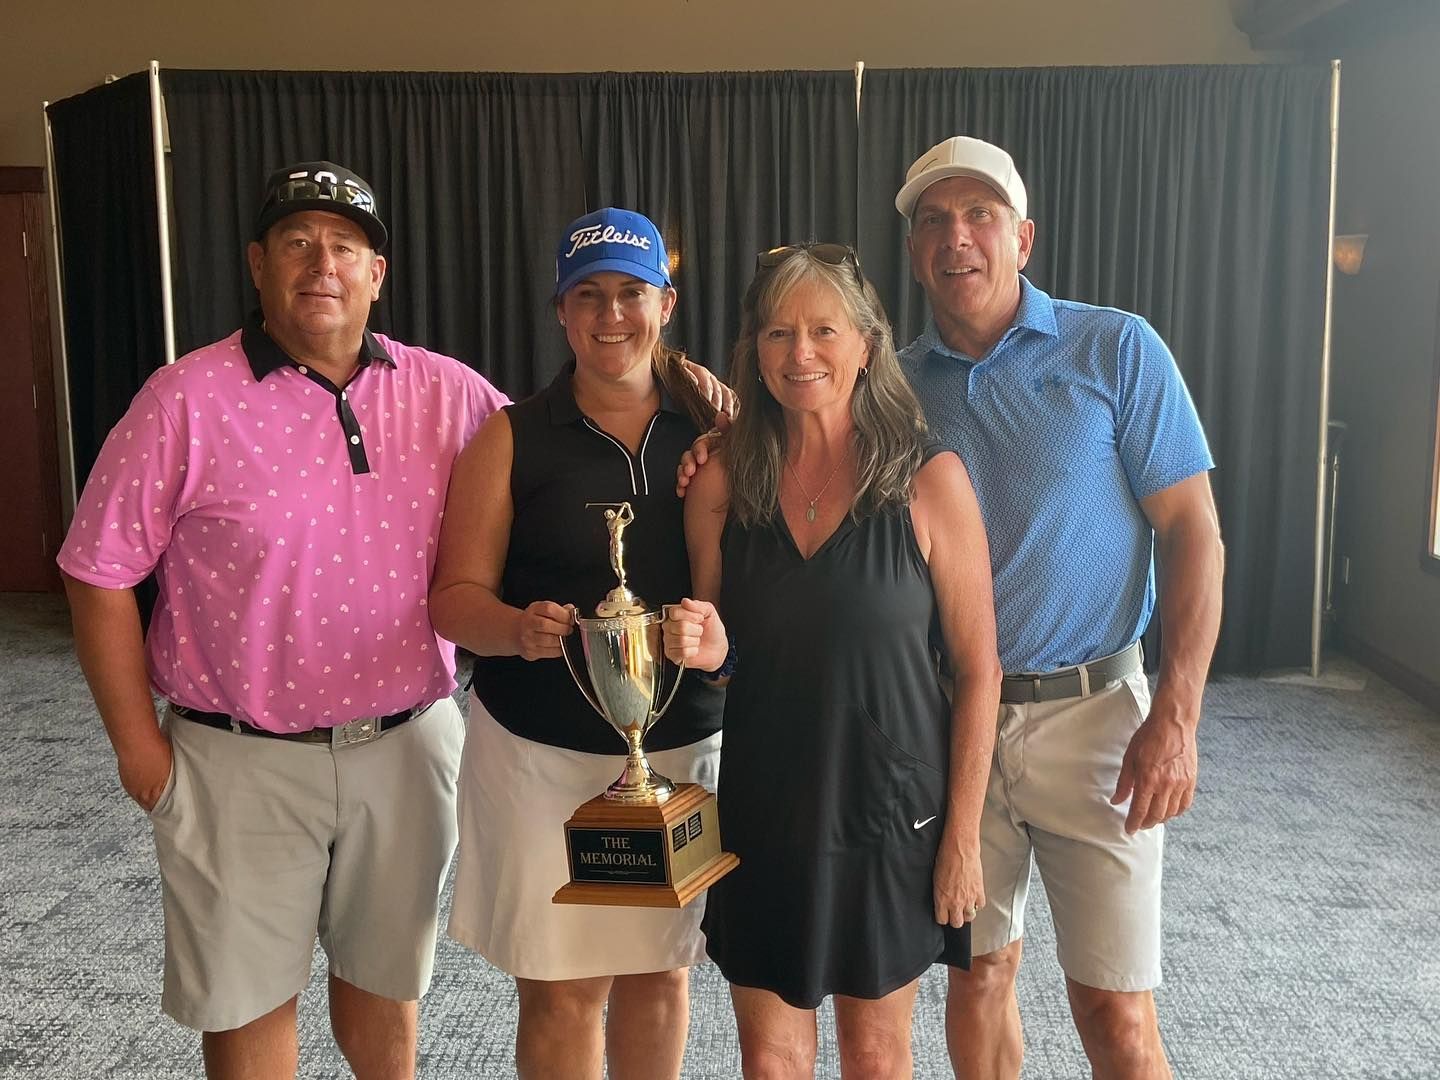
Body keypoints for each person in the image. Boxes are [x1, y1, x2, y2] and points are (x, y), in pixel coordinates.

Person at [58, 160, 508, 1078]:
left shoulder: (451, 394)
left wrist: (692, 418)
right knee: (247, 999)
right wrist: (137, 746)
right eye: (298, 243)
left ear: (378, 274)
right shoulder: (182, 399)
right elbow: (96, 571)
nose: (323, 265)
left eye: (346, 246)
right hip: (238, 759)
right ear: (258, 263)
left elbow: (556, 474)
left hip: (408, 744)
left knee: (386, 987)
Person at [893, 136, 1225, 1079]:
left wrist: (1179, 716)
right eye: (932, 221)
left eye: (980, 216)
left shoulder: (1115, 348)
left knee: (1115, 1011)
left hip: (1098, 722)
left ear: (1023, 237)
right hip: (954, 722)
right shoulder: (897, 390)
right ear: (915, 249)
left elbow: (1193, 530)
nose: (957, 238)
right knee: (979, 976)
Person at [662, 243, 1001, 1078]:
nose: (800, 353)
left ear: (866, 344)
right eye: (778, 333)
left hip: (890, 819)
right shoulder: (719, 483)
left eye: (823, 330)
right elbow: (723, 658)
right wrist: (709, 652)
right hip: (766, 810)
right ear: (755, 352)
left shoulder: (932, 481)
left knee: (876, 1054)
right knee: (771, 1056)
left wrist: (962, 836)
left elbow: (978, 670)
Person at [428, 207, 725, 1080]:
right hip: (538, 758)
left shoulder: (717, 436)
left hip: (674, 757)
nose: (611, 315)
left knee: (661, 977)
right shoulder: (510, 436)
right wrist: (516, 631)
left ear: (665, 303)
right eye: (587, 295)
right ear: (560, 312)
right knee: (560, 989)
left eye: (631, 292)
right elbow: (452, 601)